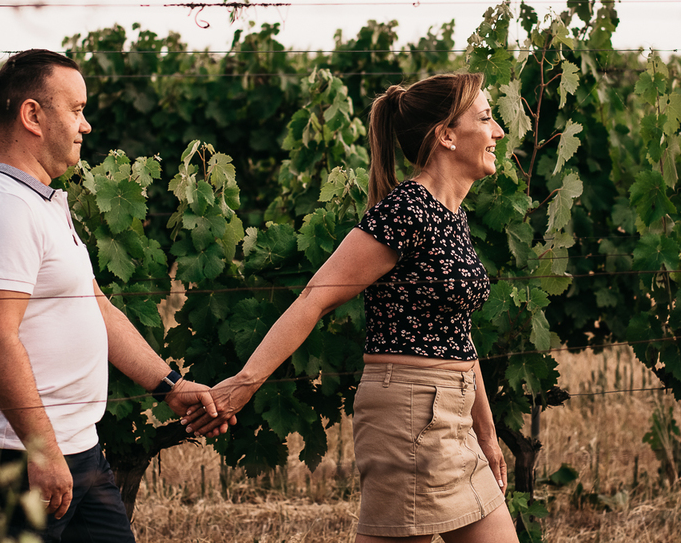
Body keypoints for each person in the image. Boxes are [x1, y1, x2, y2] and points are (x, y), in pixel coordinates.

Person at [186, 72, 517, 543]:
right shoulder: (405, 211)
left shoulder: (452, 214)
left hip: (453, 413)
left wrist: (485, 430)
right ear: (445, 135)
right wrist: (243, 384)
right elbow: (314, 298)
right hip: (411, 414)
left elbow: (456, 329)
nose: (498, 131)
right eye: (486, 118)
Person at [0, 49, 228, 543]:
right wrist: (41, 450)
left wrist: (171, 387)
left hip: (76, 445)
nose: (86, 124)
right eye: (75, 109)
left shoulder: (41, 199)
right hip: (17, 451)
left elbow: (95, 307)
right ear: (32, 115)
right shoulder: (2, 209)